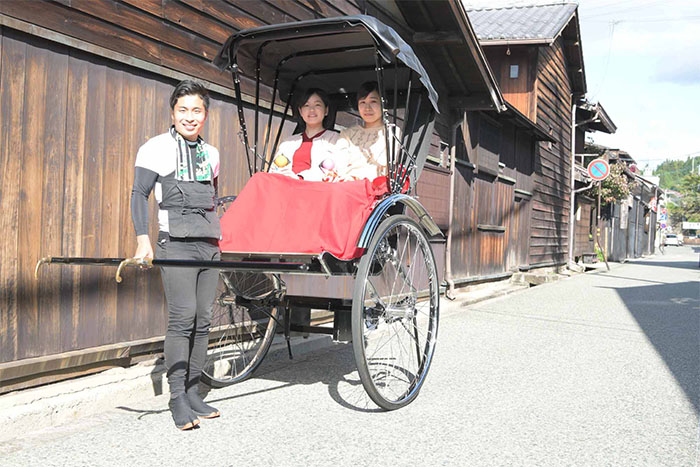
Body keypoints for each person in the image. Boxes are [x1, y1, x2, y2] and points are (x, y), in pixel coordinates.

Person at [131, 80, 222, 431]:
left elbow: (210, 197)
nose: (189, 116)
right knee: (182, 318)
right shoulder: (155, 148)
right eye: (182, 110)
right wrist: (143, 240)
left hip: (209, 244)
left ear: (205, 115)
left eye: (196, 110)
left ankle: (194, 390)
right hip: (176, 243)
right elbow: (139, 194)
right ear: (173, 113)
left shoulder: (212, 154)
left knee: (203, 319)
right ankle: (176, 397)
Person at [269, 88, 338, 181]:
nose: (312, 110)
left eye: (317, 105)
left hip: (315, 190)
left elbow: (331, 171)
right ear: (301, 111)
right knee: (259, 178)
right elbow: (275, 169)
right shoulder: (289, 142)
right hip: (285, 186)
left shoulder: (335, 140)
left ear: (326, 110)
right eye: (306, 105)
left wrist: (299, 178)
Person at [334, 81, 394, 182]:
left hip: (372, 187)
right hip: (344, 183)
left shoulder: (391, 133)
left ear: (383, 104)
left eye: (373, 102)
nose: (367, 108)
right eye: (362, 102)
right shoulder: (347, 134)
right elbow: (338, 162)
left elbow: (382, 164)